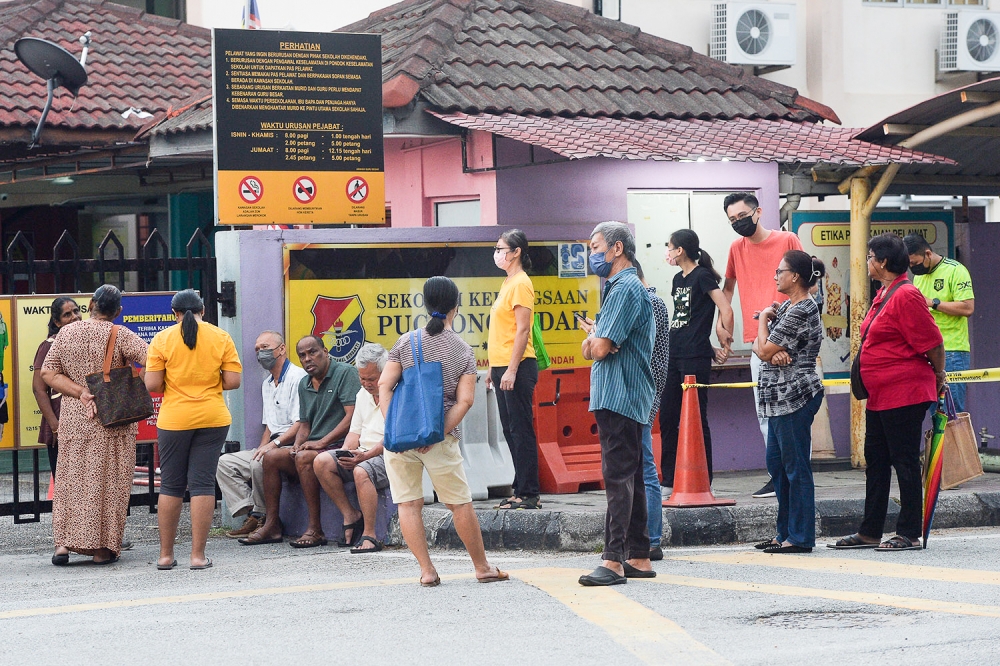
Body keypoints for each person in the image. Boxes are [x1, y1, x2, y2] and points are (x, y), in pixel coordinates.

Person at [378, 276, 509, 586]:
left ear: (425, 305)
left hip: (400, 439)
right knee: (459, 503)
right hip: (440, 439)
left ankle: (427, 571)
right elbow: (464, 402)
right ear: (456, 308)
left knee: (408, 504)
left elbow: (384, 384)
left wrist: (395, 426)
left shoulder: (406, 341)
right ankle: (481, 567)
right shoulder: (463, 350)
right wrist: (435, 433)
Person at [830, 233, 945, 552]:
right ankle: (870, 531)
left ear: (882, 262)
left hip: (905, 393)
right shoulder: (885, 293)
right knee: (876, 461)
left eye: (869, 257)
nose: (866, 262)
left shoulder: (906, 295)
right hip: (881, 396)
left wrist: (940, 375)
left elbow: (933, 342)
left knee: (904, 460)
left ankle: (909, 531)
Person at [41, 285, 147, 566]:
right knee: (108, 482)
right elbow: (154, 360)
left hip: (76, 416)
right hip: (112, 419)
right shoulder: (120, 334)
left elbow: (48, 372)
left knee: (70, 479)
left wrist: (79, 392)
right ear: (118, 311)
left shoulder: (66, 333)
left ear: (90, 304)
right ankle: (101, 549)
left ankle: (63, 545)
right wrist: (135, 386)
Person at [577, 222, 656, 586]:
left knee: (617, 475)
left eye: (596, 247)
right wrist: (599, 339)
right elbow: (603, 344)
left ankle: (613, 560)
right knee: (633, 476)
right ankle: (638, 555)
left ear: (617, 248)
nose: (592, 254)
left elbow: (601, 347)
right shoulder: (622, 288)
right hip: (627, 392)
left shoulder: (623, 288)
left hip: (619, 393)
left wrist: (595, 339)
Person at [146, 289, 242, 570]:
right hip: (213, 418)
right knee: (202, 483)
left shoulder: (162, 339)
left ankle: (165, 556)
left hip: (174, 419)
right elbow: (233, 381)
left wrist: (176, 387)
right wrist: (208, 384)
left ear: (173, 313)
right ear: (203, 310)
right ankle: (198, 557)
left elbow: (152, 385)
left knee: (172, 485)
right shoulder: (221, 336)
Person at [719, 192, 804, 499]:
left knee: (792, 411)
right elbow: (727, 290)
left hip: (790, 341)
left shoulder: (788, 240)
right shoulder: (736, 248)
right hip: (759, 342)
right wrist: (722, 323)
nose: (738, 223)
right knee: (766, 413)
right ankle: (777, 475)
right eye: (731, 220)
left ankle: (797, 475)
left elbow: (807, 282)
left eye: (741, 216)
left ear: (758, 212)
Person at [241, 336, 360, 548]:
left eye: (313, 352)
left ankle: (315, 529)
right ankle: (272, 524)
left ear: (325, 351)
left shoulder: (345, 373)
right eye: (302, 355)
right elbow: (304, 424)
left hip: (340, 445)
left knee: (305, 457)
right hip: (314, 446)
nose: (308, 359)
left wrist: (321, 442)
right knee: (271, 457)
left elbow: (351, 416)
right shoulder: (305, 383)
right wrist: (296, 444)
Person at [752, 251, 825, 554]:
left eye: (779, 271)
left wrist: (765, 324)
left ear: (795, 276)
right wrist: (768, 341)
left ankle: (800, 536)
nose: (776, 276)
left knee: (795, 468)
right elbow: (764, 350)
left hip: (794, 396)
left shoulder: (801, 310)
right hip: (778, 398)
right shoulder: (788, 308)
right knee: (778, 466)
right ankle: (784, 533)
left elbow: (764, 350)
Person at [660, 229, 732, 494]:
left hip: (694, 358)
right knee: (667, 416)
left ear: (680, 251)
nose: (667, 252)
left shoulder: (702, 276)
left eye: (669, 247)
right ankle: (668, 480)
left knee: (697, 418)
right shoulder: (678, 279)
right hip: (674, 352)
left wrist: (724, 339)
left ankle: (704, 480)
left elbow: (725, 308)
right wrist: (711, 345)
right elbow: (687, 321)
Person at [216, 331, 305, 539]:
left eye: (265, 347)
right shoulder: (267, 384)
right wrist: (261, 448)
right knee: (225, 463)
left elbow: (300, 424)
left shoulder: (298, 378)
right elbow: (268, 425)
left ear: (281, 349)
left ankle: (266, 519)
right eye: (257, 349)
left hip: (289, 445)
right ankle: (254, 514)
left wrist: (271, 447)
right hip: (273, 443)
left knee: (261, 462)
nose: (260, 352)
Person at [313, 343, 391, 553]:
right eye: (362, 378)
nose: (366, 383)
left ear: (385, 373)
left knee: (361, 471)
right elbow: (354, 432)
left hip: (387, 455)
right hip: (362, 452)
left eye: (371, 379)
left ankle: (369, 534)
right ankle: (350, 514)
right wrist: (346, 452)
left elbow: (392, 437)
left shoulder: (395, 393)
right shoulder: (362, 394)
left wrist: (365, 456)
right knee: (321, 461)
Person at [487, 229, 541, 510]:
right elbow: (503, 330)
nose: (497, 253)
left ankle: (529, 492)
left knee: (520, 429)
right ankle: (520, 487)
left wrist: (511, 369)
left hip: (517, 366)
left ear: (516, 251)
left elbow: (522, 330)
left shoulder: (521, 283)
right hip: (501, 366)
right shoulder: (508, 282)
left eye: (501, 248)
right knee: (510, 429)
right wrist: (493, 369)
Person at [903, 233, 974, 413]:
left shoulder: (955, 270)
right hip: (926, 351)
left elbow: (967, 308)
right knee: (934, 412)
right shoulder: (919, 277)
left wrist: (934, 302)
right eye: (909, 265)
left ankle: (954, 443)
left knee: (952, 412)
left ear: (928, 254)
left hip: (952, 351)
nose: (913, 268)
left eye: (915, 263)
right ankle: (938, 442)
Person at [633, 260, 669, 561]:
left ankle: (653, 539)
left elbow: (653, 357)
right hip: (640, 394)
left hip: (643, 395)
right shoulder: (646, 301)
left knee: (645, 469)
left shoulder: (651, 303)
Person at [32, 297, 81, 477]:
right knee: (64, 482)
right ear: (56, 322)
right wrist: (55, 425)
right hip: (59, 421)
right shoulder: (48, 346)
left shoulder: (87, 341)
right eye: (67, 314)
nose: (75, 317)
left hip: (85, 421)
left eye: (76, 311)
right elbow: (39, 389)